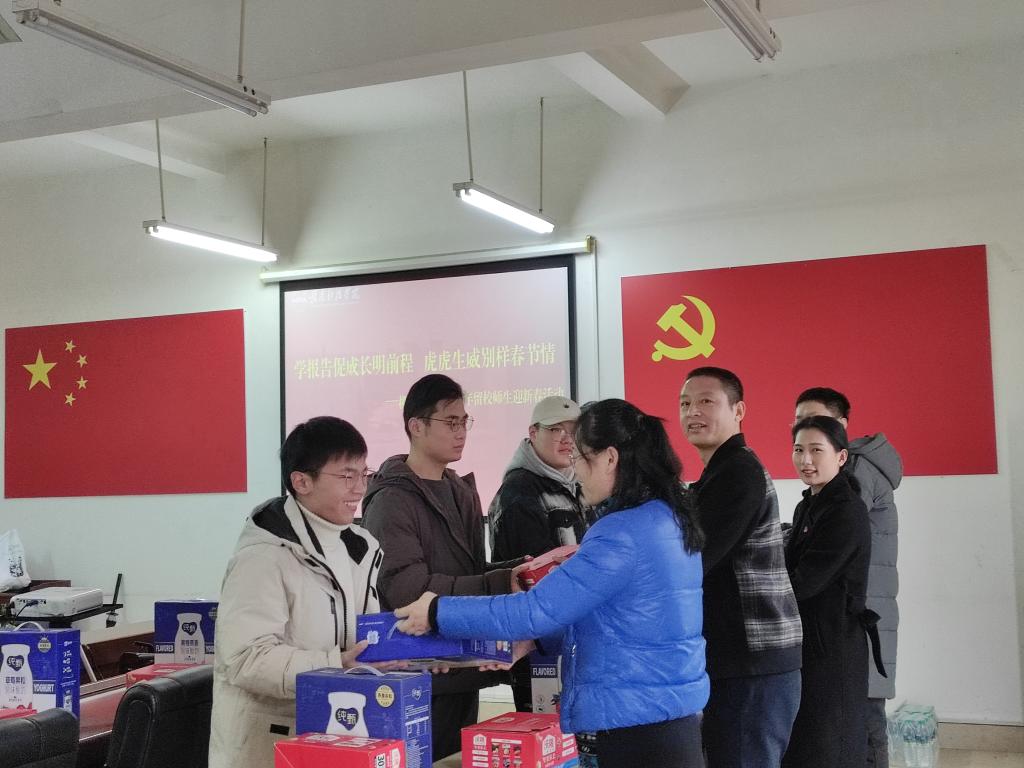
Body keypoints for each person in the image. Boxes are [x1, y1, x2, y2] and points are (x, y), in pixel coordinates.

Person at [393, 399, 709, 768]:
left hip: (637, 726)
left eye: (580, 458)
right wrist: (534, 642)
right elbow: (611, 614)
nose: (576, 472)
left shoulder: (621, 533)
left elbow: (535, 609)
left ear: (610, 458)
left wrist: (436, 611)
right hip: (665, 718)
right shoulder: (665, 518)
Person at [209, 416, 388, 768]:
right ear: (302, 481)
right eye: (346, 476)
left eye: (364, 474)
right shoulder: (264, 556)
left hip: (334, 732)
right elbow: (246, 658)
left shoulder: (359, 547)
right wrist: (335, 664)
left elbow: (359, 641)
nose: (360, 489)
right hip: (267, 746)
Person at [361, 374, 516, 759]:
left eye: (464, 421)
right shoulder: (391, 499)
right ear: (416, 426)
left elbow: (470, 569)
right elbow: (406, 589)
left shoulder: (460, 490)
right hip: (420, 672)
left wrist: (519, 571)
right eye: (450, 422)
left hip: (463, 663)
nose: (461, 431)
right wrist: (498, 582)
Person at [679, 367, 802, 768]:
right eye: (685, 403)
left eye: (706, 401)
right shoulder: (720, 471)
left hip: (753, 662)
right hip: (745, 660)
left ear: (738, 410)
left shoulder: (737, 472)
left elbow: (693, 561)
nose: (693, 412)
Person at [794, 387, 902, 768]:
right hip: (839, 616)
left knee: (858, 728)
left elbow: (824, 551)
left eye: (817, 421)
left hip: (852, 616)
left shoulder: (852, 483)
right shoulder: (812, 499)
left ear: (840, 431)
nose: (807, 456)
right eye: (800, 423)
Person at [783, 415, 873, 768]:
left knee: (830, 743)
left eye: (816, 450)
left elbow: (804, 582)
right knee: (806, 741)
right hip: (809, 641)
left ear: (841, 456)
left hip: (834, 644)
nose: (806, 460)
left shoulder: (846, 510)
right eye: (798, 450)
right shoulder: (808, 504)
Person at [488, 394, 588, 712]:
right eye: (556, 429)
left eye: (573, 430)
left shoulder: (579, 485)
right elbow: (533, 578)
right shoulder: (519, 492)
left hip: (574, 641)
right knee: (546, 734)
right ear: (533, 433)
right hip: (538, 647)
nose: (567, 438)